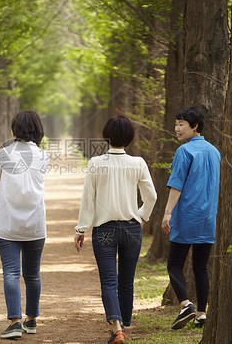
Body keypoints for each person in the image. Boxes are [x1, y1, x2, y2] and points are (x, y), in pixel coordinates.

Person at [74, 115, 157, 344]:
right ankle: (124, 325)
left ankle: (116, 327)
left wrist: (81, 229)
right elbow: (151, 195)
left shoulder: (96, 163)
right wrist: (141, 215)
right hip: (132, 228)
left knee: (109, 281)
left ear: (106, 136)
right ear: (129, 137)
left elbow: (88, 200)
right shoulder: (138, 163)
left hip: (105, 230)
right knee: (126, 281)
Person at [0, 110, 50, 340]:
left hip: (7, 224)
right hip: (35, 223)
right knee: (32, 274)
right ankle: (31, 320)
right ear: (38, 130)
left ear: (15, 130)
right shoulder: (44, 155)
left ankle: (14, 322)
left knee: (11, 272)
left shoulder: (4, 153)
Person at [161, 107, 220, 330]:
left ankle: (186, 304)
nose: (177, 129)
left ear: (194, 126)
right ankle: (202, 314)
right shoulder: (214, 151)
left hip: (187, 216)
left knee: (174, 264)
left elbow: (176, 185)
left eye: (182, 124)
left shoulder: (184, 151)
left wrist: (167, 213)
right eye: (176, 124)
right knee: (200, 267)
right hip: (208, 218)